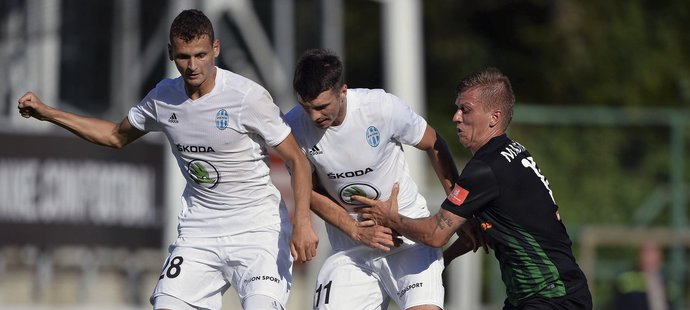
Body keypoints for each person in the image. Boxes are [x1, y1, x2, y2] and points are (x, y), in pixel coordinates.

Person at [17, 9, 318, 310]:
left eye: (200, 55)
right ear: (171, 52)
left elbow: (297, 160)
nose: (192, 66)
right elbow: (114, 135)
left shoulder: (247, 97)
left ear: (216, 48)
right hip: (199, 231)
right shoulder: (163, 97)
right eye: (184, 57)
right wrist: (48, 113)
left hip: (258, 230)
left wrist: (302, 221)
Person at [355, 68, 593, 309]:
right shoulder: (512, 151)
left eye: (466, 110)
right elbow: (479, 235)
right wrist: (437, 266)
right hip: (544, 295)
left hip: (552, 297)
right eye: (457, 108)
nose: (456, 117)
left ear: (494, 117)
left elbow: (436, 234)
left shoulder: (485, 169)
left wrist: (390, 218)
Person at [283, 48, 461, 310]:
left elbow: (434, 144)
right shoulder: (294, 127)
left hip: (409, 243)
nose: (314, 116)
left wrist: (460, 210)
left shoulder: (381, 107)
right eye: (306, 108)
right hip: (352, 250)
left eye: (321, 107)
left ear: (342, 91)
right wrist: (355, 229)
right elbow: (307, 191)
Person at [612, 241, 669, 310]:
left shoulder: (667, 283)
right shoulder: (626, 280)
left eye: (652, 252)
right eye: (646, 252)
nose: (649, 257)